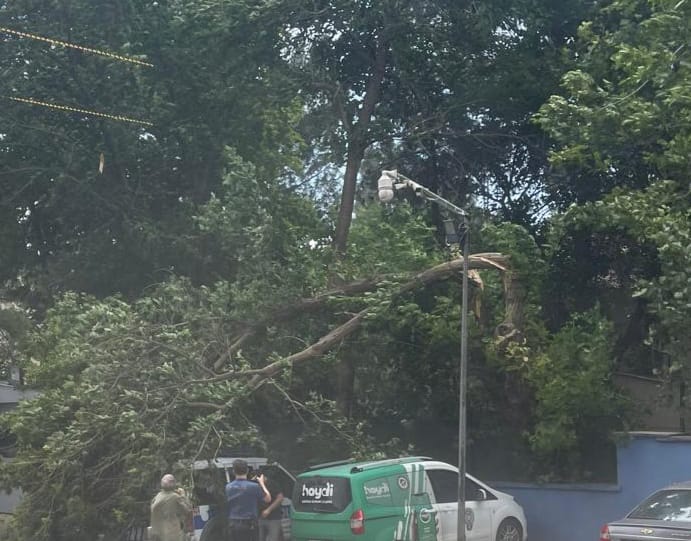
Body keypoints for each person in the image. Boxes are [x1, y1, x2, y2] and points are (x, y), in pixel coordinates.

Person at [225, 459, 271, 541]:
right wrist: (262, 483)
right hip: (249, 524)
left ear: (233, 471)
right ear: (247, 470)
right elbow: (268, 499)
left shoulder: (228, 487)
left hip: (234, 524)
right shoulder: (253, 486)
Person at [149, 473, 193, 541]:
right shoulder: (175, 497)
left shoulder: (158, 496)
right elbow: (188, 510)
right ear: (173, 483)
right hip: (171, 533)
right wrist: (183, 495)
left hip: (157, 532)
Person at [258, 474, 284, 541]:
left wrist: (268, 510)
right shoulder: (255, 485)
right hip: (260, 517)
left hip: (273, 517)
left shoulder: (272, 484)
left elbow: (280, 497)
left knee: (273, 538)